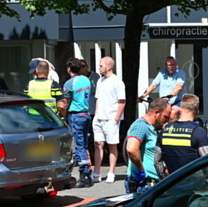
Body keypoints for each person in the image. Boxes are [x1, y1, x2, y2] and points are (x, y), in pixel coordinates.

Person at [125, 98, 171, 193]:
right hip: (144, 184)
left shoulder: (152, 128)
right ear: (156, 113)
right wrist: (141, 172)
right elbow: (131, 149)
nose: (166, 121)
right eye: (165, 117)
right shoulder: (141, 126)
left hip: (152, 183)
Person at [60, 58, 94, 188]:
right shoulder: (86, 80)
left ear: (69, 69)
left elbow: (65, 104)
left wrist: (63, 115)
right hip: (86, 114)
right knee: (84, 144)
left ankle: (84, 175)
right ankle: (88, 173)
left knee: (78, 145)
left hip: (76, 115)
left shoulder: (69, 83)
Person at [92, 56, 126, 184]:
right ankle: (96, 172)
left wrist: (116, 118)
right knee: (98, 144)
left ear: (109, 67)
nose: (99, 67)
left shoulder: (117, 82)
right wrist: (96, 115)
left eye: (101, 65)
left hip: (111, 118)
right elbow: (98, 99)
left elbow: (122, 101)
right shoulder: (100, 81)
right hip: (99, 118)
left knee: (112, 145)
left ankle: (111, 172)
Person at [160, 94, 208, 176]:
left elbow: (157, 160)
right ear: (197, 112)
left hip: (172, 183)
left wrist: (164, 179)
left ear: (180, 110)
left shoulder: (165, 130)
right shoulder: (198, 131)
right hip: (195, 184)